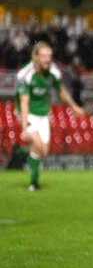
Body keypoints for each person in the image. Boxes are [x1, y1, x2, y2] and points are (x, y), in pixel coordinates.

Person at [15, 41, 85, 191]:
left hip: (43, 115)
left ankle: (22, 149)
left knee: (44, 152)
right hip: (27, 114)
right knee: (38, 146)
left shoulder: (53, 72)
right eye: (44, 56)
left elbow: (61, 91)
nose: (47, 59)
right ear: (35, 57)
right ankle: (34, 183)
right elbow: (24, 102)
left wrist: (73, 106)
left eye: (49, 56)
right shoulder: (25, 75)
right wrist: (23, 128)